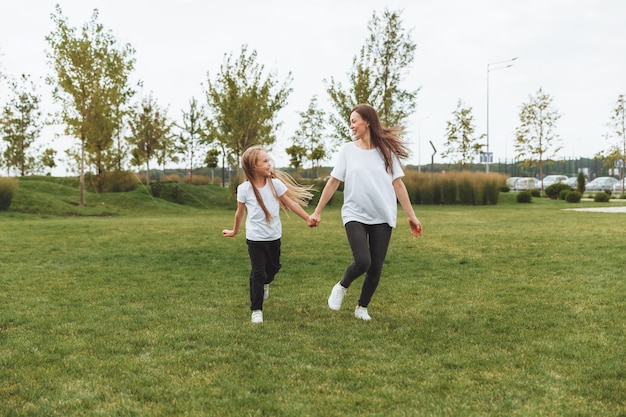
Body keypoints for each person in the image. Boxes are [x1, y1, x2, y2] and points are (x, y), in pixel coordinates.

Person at [310, 103, 422, 321]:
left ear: (367, 122)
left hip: (382, 215)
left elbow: (398, 185)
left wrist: (411, 215)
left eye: (354, 121)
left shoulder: (387, 152)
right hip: (355, 213)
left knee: (376, 267)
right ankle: (342, 286)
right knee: (363, 260)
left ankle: (362, 307)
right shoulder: (347, 150)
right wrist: (317, 211)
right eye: (350, 122)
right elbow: (334, 182)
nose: (351, 126)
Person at [222, 145, 316, 323]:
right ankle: (256, 309)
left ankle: (265, 283)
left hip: (274, 237)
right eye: (265, 161)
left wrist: (307, 217)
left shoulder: (276, 185)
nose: (269, 164)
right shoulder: (244, 189)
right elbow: (240, 213)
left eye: (269, 160)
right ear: (254, 167)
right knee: (257, 272)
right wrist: (234, 231)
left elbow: (290, 203)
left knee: (272, 270)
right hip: (255, 239)